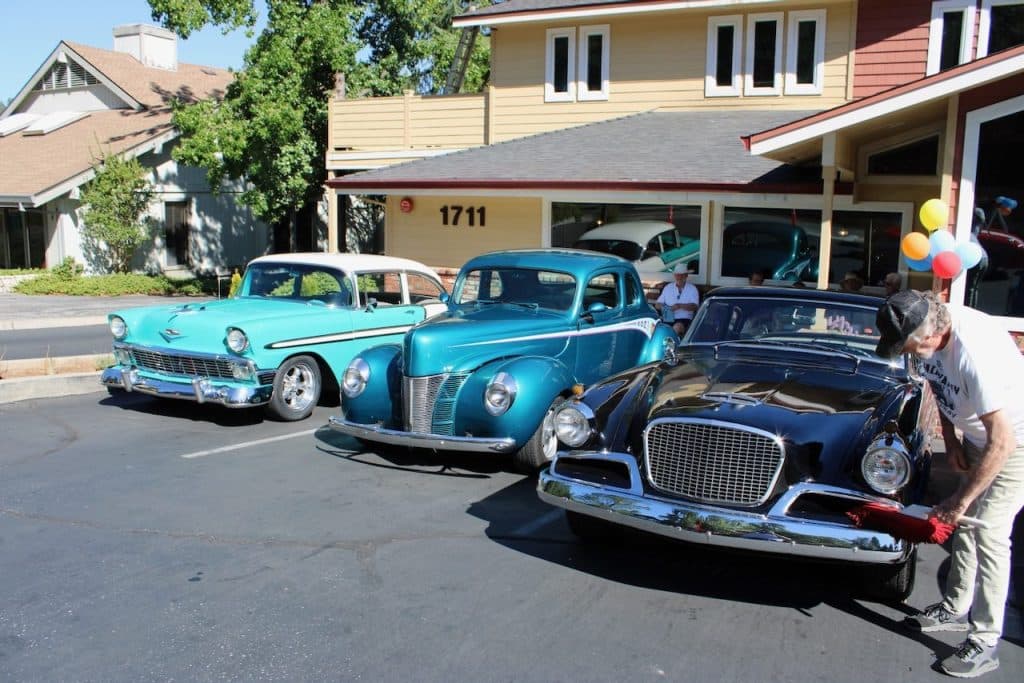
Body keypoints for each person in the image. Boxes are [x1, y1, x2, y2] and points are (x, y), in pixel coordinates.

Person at [875, 289, 1024, 678]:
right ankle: (955, 606)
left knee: (989, 532)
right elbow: (938, 389)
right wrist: (953, 438)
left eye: (904, 345)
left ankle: (986, 640)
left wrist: (959, 501)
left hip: (1015, 443)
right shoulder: (927, 327)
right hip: (978, 439)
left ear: (929, 336)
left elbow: (1003, 441)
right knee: (966, 530)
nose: (903, 352)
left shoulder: (976, 354)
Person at [655, 263, 699, 335]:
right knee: (658, 328)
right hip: (668, 317)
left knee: (676, 327)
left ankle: (671, 345)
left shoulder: (692, 289)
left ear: (686, 276)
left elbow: (695, 306)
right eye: (677, 275)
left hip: (684, 319)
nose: (679, 277)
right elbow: (657, 305)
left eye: (682, 275)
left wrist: (680, 306)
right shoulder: (668, 287)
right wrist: (668, 308)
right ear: (674, 275)